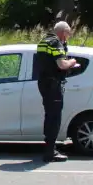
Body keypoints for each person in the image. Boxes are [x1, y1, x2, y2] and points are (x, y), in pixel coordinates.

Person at [34, 21, 77, 162]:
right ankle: (50, 152)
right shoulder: (55, 43)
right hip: (53, 85)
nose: (68, 37)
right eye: (68, 34)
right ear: (63, 32)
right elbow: (61, 64)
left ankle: (49, 148)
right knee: (54, 118)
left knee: (49, 115)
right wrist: (72, 62)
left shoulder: (43, 42)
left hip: (44, 83)